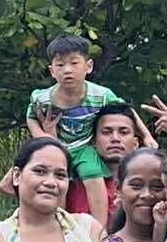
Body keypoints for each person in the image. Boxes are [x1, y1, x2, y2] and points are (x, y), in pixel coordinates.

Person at [25, 33, 126, 223]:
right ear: (52, 71)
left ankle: (101, 228)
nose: (67, 70)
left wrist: (147, 135)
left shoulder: (100, 95)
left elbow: (125, 111)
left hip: (84, 147)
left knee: (92, 174)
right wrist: (44, 139)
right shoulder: (44, 98)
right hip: (56, 146)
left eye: (74, 63)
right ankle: (58, 225)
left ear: (88, 66)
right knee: (56, 180)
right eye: (60, 65)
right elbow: (31, 117)